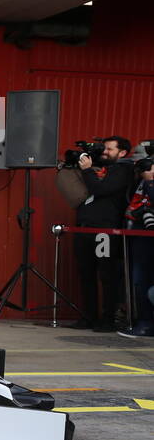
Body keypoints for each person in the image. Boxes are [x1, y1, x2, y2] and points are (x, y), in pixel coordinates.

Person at [69, 137, 136, 332]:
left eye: (109, 149)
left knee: (107, 275)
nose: (104, 152)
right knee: (85, 274)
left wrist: (88, 170)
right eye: (103, 148)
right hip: (85, 228)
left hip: (104, 231)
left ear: (122, 152)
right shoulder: (101, 168)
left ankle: (108, 319)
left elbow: (100, 189)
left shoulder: (124, 170)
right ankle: (88, 317)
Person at [118, 161, 154, 338]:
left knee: (145, 282)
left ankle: (147, 324)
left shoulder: (149, 181)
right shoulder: (140, 179)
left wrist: (150, 181)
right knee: (138, 282)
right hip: (138, 236)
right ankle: (143, 321)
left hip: (149, 239)